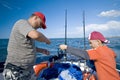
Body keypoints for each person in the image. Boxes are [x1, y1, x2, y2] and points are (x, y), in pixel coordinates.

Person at [3, 12, 51, 80]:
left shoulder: (28, 31)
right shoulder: (22, 23)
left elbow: (28, 46)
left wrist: (42, 50)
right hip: (16, 70)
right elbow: (36, 35)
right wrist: (47, 40)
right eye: (40, 24)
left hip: (27, 71)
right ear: (35, 17)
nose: (40, 27)